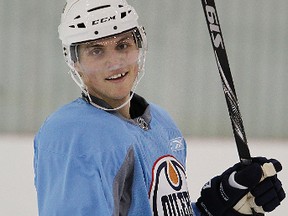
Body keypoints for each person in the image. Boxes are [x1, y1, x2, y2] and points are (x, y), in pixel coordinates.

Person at [33, 0, 285, 215]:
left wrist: (219, 204)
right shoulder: (74, 135)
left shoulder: (160, 122)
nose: (114, 62)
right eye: (96, 51)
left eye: (123, 45)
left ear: (139, 46)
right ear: (75, 61)